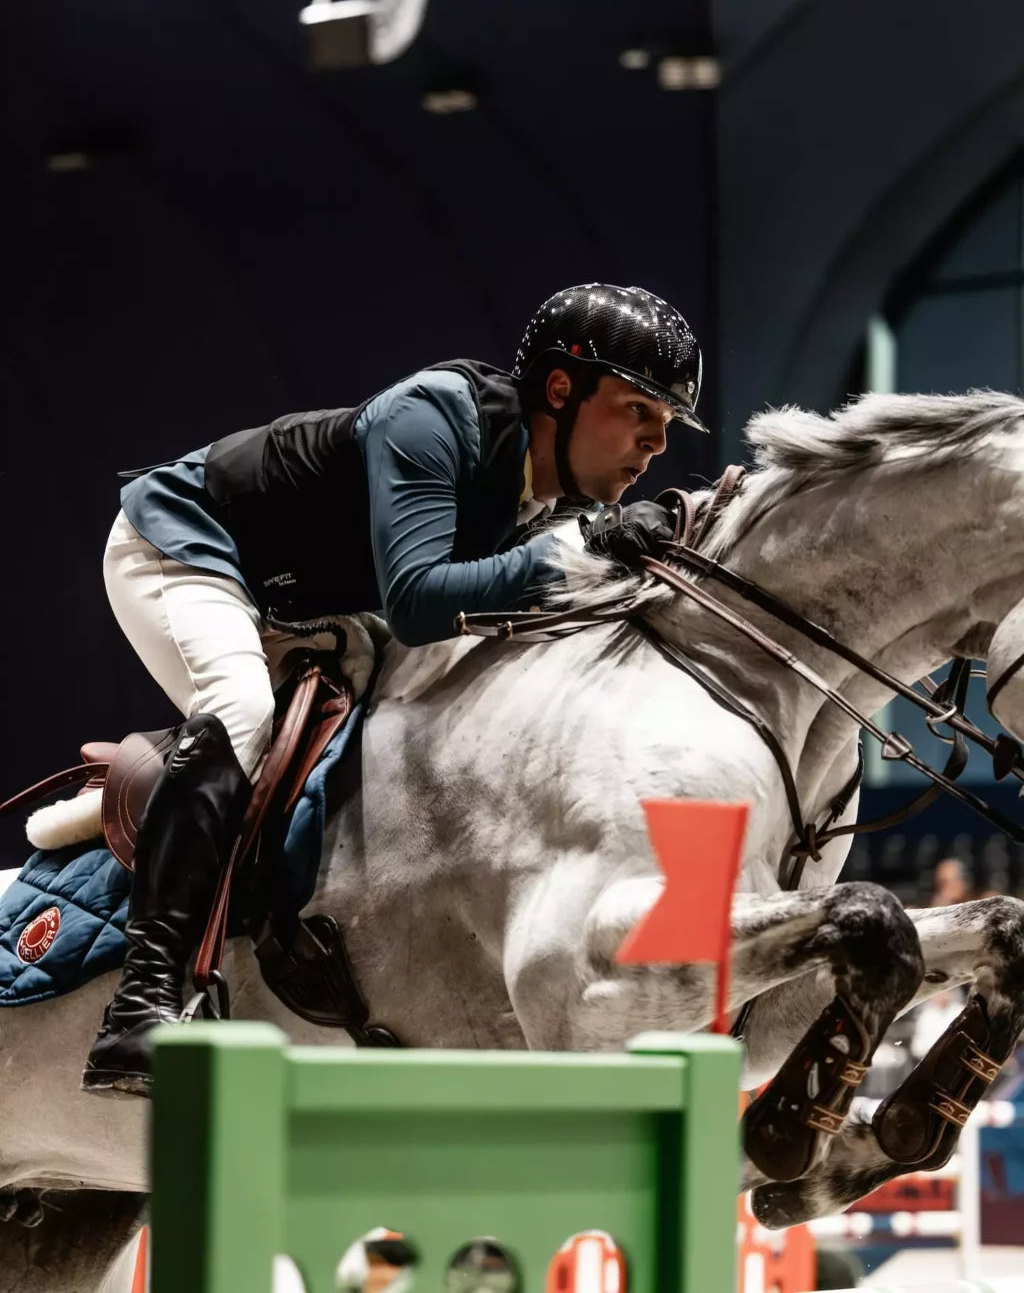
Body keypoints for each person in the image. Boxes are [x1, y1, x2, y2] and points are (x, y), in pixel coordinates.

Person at [82, 283, 705, 1094]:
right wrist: (586, 545)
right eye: (639, 412)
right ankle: (142, 1005)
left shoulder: (540, 499)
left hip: (294, 599)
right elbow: (416, 603)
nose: (656, 445)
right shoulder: (434, 414)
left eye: (665, 427)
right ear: (563, 389)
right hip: (183, 540)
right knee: (239, 705)